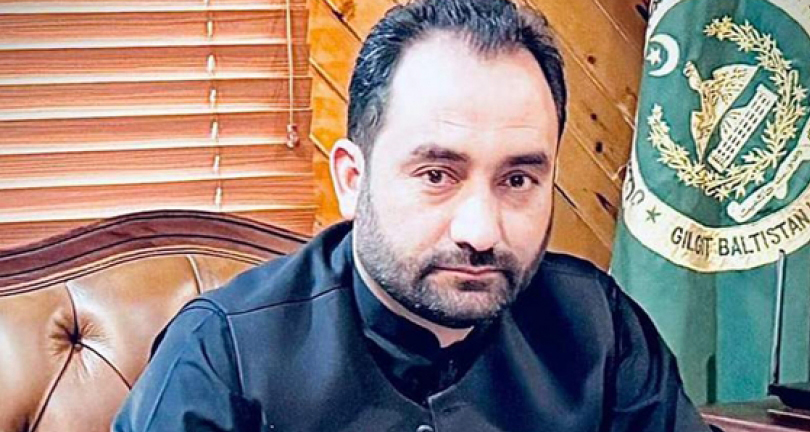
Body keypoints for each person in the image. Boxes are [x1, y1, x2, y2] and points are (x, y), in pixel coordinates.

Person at [113, 0, 712, 430]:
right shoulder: (224, 353)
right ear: (353, 179)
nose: (480, 231)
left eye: (518, 181)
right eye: (436, 175)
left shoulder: (599, 327)